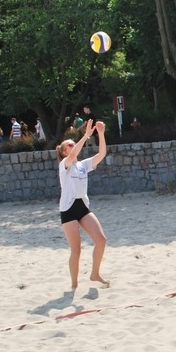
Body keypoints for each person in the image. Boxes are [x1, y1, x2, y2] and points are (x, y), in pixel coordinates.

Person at [56, 119, 109, 290]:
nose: (73, 146)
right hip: (68, 210)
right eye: (70, 145)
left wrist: (100, 134)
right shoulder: (64, 165)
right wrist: (86, 135)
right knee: (76, 250)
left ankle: (94, 274)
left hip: (82, 207)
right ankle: (74, 285)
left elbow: (101, 154)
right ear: (64, 152)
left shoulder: (82, 165)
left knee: (101, 240)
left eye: (73, 144)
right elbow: (72, 156)